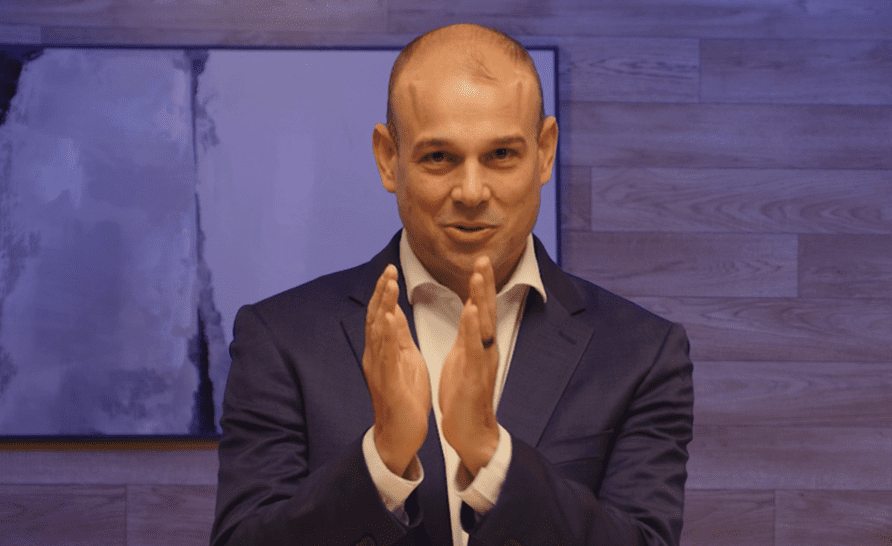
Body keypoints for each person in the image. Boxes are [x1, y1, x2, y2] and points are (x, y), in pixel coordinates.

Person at [211, 23, 693, 546]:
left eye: (501, 155)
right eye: (439, 157)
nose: (470, 190)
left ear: (545, 151)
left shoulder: (642, 352)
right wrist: (382, 458)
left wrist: (491, 454)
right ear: (388, 158)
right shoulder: (281, 337)